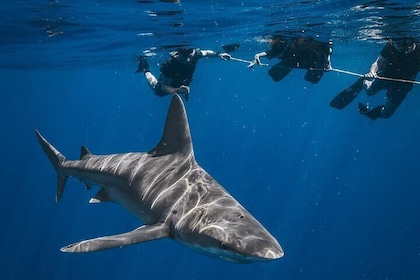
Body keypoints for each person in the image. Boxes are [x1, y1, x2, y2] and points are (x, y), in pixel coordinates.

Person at [330, 37, 420, 120]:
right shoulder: (390, 45)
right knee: (370, 92)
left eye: (406, 48)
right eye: (399, 46)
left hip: (404, 85)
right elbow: (378, 62)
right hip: (386, 75)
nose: (403, 50)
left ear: (412, 43)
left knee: (386, 115)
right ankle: (364, 82)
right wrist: (372, 72)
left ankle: (372, 113)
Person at [135, 48, 231, 101]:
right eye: (185, 57)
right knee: (158, 91)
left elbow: (206, 53)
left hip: (182, 83)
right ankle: (145, 67)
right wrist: (176, 90)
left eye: (190, 56)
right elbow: (164, 87)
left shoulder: (195, 54)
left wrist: (219, 54)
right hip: (166, 87)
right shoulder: (170, 65)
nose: (188, 60)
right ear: (179, 54)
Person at [248, 36, 332, 84]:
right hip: (293, 61)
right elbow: (275, 51)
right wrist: (258, 56)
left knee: (312, 79)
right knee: (274, 75)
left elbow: (328, 50)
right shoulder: (291, 43)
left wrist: (328, 63)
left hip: (305, 61)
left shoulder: (321, 45)